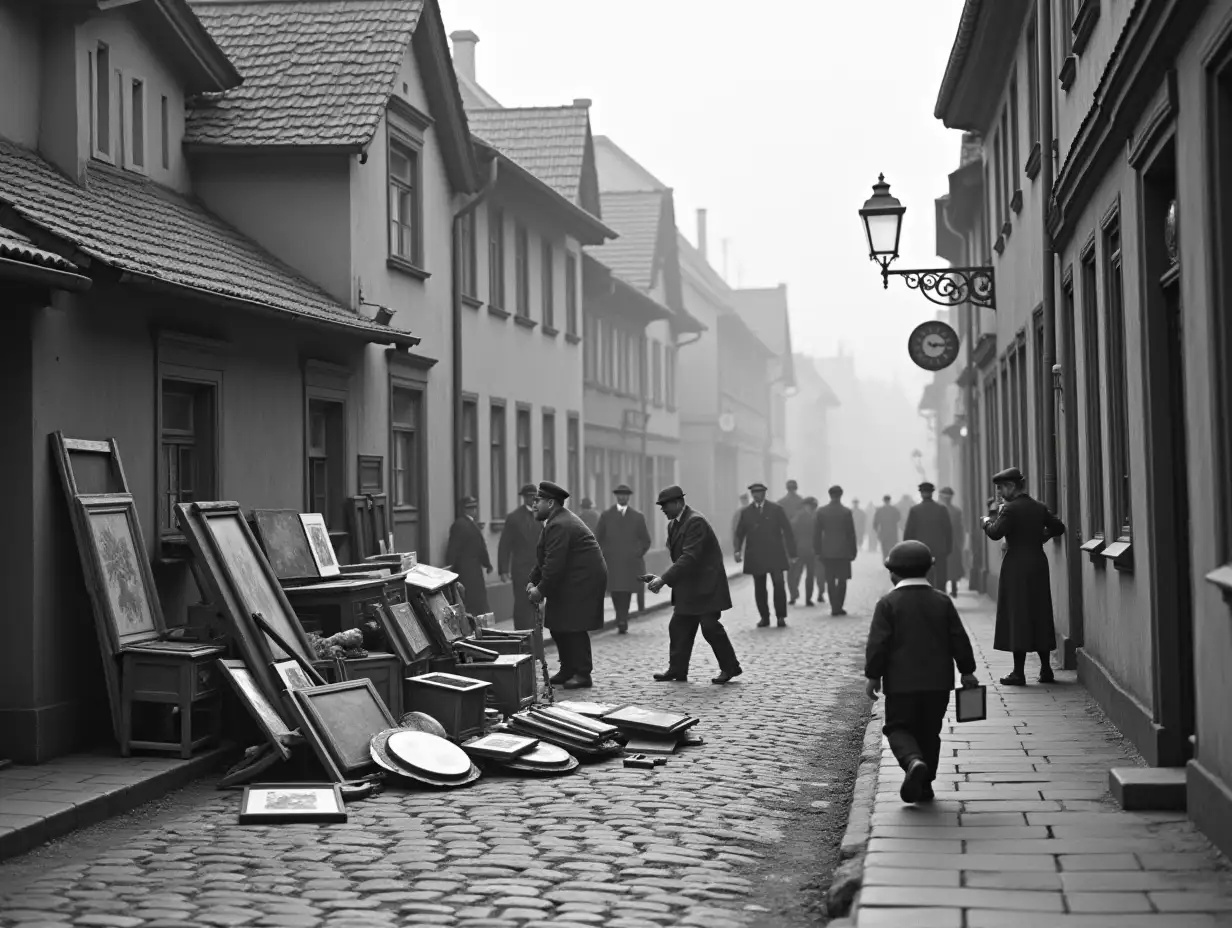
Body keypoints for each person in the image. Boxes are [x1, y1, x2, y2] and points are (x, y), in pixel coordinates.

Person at [865, 540, 979, 804]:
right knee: (930, 732)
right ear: (929, 570)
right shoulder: (942, 601)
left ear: (892, 573)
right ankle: (925, 786)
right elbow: (958, 639)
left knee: (897, 727)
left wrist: (873, 675)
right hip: (938, 684)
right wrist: (967, 671)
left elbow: (878, 644)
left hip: (901, 684)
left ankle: (913, 762)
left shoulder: (888, 603)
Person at [645, 486, 742, 685]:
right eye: (661, 505)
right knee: (678, 627)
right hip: (688, 589)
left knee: (710, 627)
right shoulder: (673, 525)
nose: (662, 509)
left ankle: (730, 667)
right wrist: (662, 576)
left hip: (706, 588)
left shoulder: (695, 521)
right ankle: (677, 670)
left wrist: (663, 579)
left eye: (665, 505)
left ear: (678, 503)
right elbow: (679, 559)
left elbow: (690, 557)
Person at [980, 466, 1066, 686]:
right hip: (1037, 563)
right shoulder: (1038, 507)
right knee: (1040, 612)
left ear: (1011, 486)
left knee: (1017, 615)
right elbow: (1058, 527)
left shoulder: (1010, 510)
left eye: (1001, 488)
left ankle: (1018, 673)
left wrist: (986, 522)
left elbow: (995, 532)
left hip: (1016, 565)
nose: (999, 493)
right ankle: (1046, 670)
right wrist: (1041, 537)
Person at [527, 480, 608, 690]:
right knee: (558, 626)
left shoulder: (560, 524)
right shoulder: (555, 522)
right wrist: (533, 581)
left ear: (551, 503)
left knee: (574, 627)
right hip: (571, 579)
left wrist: (541, 590)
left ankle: (582, 673)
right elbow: (545, 558)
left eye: (538, 501)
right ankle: (568, 669)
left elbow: (554, 564)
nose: (533, 505)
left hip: (582, 582)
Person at [734, 481, 797, 628]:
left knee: (779, 585)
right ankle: (764, 617)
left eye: (759, 493)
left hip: (775, 554)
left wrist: (792, 553)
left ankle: (781, 616)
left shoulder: (776, 509)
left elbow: (788, 531)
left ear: (764, 494)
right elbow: (739, 533)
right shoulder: (746, 512)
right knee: (760, 588)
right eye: (754, 493)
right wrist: (737, 550)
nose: (756, 496)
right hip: (756, 555)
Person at [595, 484, 651, 634]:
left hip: (629, 563)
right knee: (615, 590)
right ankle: (620, 617)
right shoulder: (607, 516)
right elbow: (597, 538)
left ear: (628, 497)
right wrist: (602, 555)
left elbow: (646, 540)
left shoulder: (637, 517)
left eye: (625, 495)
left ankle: (622, 618)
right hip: (612, 562)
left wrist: (637, 553)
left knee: (625, 591)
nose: (622, 497)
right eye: (620, 495)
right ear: (616, 497)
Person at [497, 484, 542, 637]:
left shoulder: (543, 516)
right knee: (522, 604)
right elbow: (505, 545)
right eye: (529, 496)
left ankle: (536, 639)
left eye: (535, 497)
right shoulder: (514, 518)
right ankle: (522, 637)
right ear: (523, 498)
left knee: (537, 604)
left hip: (539, 569)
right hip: (521, 569)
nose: (532, 500)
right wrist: (503, 570)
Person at [813, 485, 858, 616]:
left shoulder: (821, 512)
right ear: (841, 495)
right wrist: (853, 551)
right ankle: (839, 605)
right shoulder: (846, 512)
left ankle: (834, 606)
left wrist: (817, 550)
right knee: (842, 579)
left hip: (827, 550)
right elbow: (851, 534)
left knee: (830, 579)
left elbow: (817, 533)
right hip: (843, 550)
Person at [444, 496, 491, 615]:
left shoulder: (464, 524)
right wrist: (487, 564)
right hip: (468, 570)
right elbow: (479, 547)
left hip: (468, 569)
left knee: (473, 599)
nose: (473, 511)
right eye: (472, 508)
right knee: (472, 600)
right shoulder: (464, 525)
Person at [904, 482, 953, 591]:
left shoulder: (915, 510)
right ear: (932, 493)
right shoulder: (942, 509)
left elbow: (908, 533)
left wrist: (908, 551)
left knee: (921, 579)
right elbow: (948, 532)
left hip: (919, 551)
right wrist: (948, 549)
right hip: (939, 551)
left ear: (921, 494)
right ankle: (940, 600)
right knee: (940, 579)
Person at [788, 497, 821, 607]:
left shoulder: (802, 516)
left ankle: (805, 597)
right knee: (799, 574)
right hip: (804, 549)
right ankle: (796, 595)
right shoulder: (811, 517)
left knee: (807, 575)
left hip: (806, 549)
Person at [939, 487, 965, 598]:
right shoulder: (956, 511)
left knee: (944, 567)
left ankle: (945, 589)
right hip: (953, 543)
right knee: (952, 567)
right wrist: (960, 541)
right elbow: (960, 528)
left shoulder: (939, 510)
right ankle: (953, 589)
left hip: (943, 543)